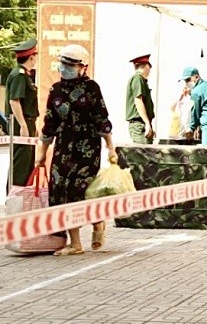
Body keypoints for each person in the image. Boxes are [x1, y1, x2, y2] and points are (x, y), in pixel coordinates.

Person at [33, 44, 116, 256]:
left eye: (71, 64)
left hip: (87, 147)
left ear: (83, 66)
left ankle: (98, 221)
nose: (65, 67)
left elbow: (102, 119)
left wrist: (111, 148)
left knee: (80, 189)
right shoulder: (56, 90)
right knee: (59, 190)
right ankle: (75, 243)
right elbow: (49, 123)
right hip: (63, 146)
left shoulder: (92, 88)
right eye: (63, 62)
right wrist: (41, 154)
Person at [4, 38, 38, 191]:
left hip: (27, 122)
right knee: (20, 165)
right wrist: (24, 125)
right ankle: (14, 201)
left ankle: (21, 199)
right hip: (20, 122)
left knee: (27, 164)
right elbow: (14, 101)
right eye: (35, 55)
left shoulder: (24, 75)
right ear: (31, 57)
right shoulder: (19, 75)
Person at [125, 54, 155, 144]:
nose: (149, 70)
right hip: (139, 124)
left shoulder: (139, 79)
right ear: (146, 66)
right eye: (149, 67)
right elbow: (138, 101)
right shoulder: (138, 78)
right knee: (143, 156)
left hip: (141, 124)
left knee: (147, 155)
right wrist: (147, 123)